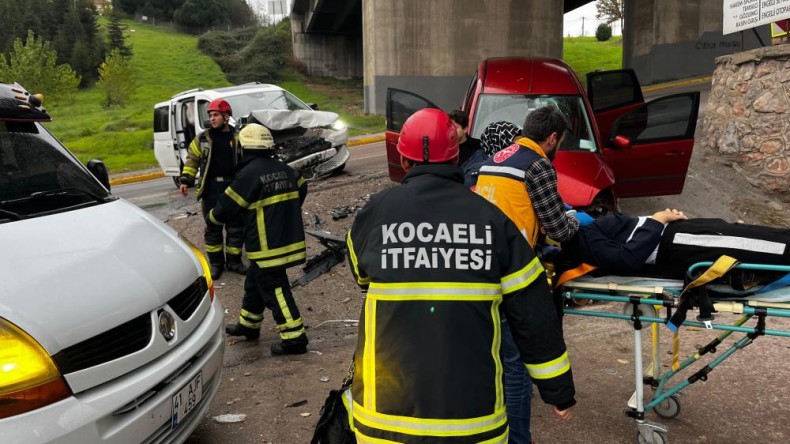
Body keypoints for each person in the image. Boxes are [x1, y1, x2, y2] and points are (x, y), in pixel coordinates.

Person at [341, 108, 576, 443]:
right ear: (457, 160)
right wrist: (558, 391)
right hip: (473, 426)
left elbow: (361, 276)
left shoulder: (376, 211)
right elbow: (533, 310)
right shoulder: (492, 220)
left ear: (404, 161)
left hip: (383, 423)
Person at [207, 123, 310, 356]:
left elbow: (225, 209)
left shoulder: (249, 174)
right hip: (287, 240)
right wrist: (286, 211)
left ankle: (295, 339)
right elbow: (302, 188)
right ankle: (249, 325)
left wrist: (211, 218)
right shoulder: (285, 169)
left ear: (244, 148)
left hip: (266, 247)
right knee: (254, 283)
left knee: (275, 289)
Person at [475, 106, 590, 248]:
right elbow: (559, 231)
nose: (558, 148)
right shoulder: (538, 165)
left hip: (484, 252)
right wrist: (576, 219)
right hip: (513, 257)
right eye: (560, 143)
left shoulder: (491, 161)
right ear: (553, 138)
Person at [559, 209, 790, 275]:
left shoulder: (571, 226)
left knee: (753, 233)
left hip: (677, 233)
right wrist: (657, 221)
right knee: (765, 247)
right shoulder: (577, 240)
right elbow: (627, 259)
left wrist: (659, 220)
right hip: (675, 243)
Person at [179, 98, 247, 279]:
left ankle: (234, 262)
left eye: (216, 115)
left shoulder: (239, 137)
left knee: (236, 228)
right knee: (212, 228)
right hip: (212, 190)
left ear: (226, 117)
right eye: (210, 115)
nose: (212, 118)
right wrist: (186, 179)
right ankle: (216, 264)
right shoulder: (202, 139)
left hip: (233, 189)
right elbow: (192, 159)